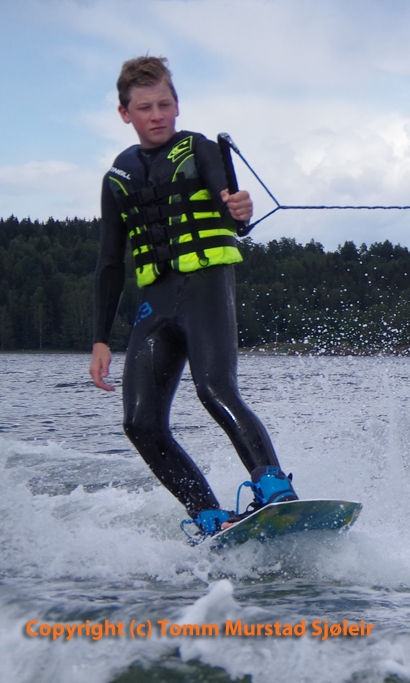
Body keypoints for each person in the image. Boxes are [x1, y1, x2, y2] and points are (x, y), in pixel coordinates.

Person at [89, 56, 297, 538]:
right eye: (145, 107)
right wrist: (100, 338)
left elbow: (232, 209)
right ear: (125, 113)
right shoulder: (117, 178)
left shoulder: (199, 149)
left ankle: (274, 487)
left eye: (165, 104)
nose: (157, 115)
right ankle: (208, 514)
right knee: (140, 423)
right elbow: (109, 263)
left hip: (205, 287)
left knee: (214, 389)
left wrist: (240, 210)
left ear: (177, 105)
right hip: (155, 304)